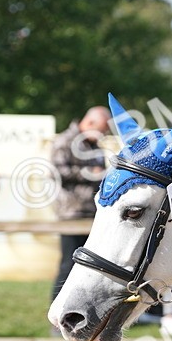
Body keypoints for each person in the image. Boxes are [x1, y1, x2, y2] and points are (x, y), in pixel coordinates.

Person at [50, 106, 112, 305]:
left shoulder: (94, 146)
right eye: (101, 130)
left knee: (93, 266)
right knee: (68, 264)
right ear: (90, 123)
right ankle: (57, 312)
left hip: (94, 215)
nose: (103, 135)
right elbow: (56, 172)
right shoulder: (65, 141)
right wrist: (87, 172)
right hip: (71, 214)